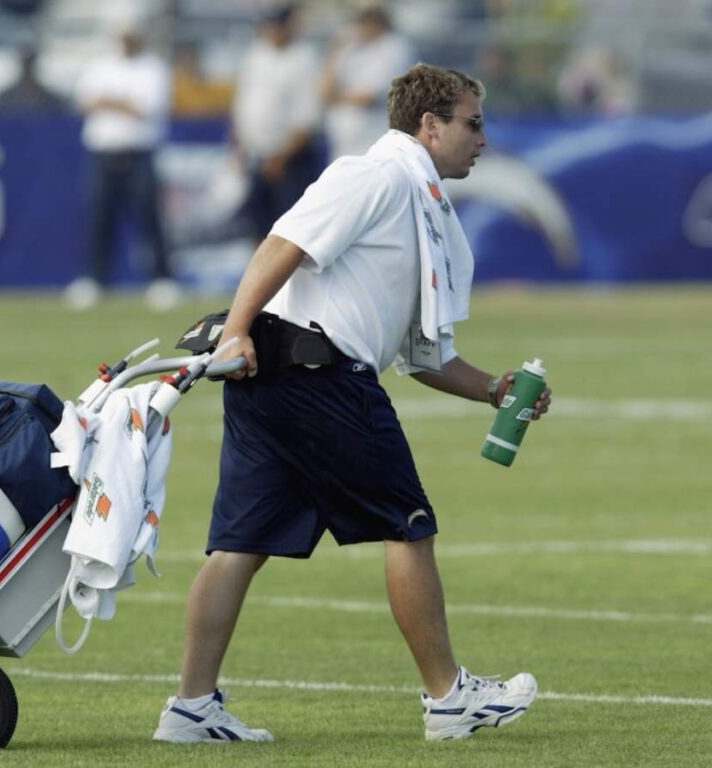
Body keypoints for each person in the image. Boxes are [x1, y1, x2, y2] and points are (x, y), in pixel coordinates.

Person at [153, 63, 552, 743]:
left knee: (240, 545)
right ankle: (449, 698)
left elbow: (423, 356)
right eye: (472, 124)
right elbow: (283, 244)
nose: (482, 139)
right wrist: (240, 328)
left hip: (283, 376)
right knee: (408, 523)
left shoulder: (421, 199)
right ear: (429, 125)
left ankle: (190, 709)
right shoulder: (377, 175)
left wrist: (492, 388)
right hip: (314, 372)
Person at [64, 17, 179, 312]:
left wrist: (110, 102)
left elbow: (145, 108)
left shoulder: (154, 68)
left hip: (138, 153)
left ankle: (161, 278)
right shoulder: (101, 66)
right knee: (99, 218)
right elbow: (85, 101)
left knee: (148, 217)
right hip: (103, 152)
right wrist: (122, 103)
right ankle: (94, 278)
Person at [231, 3, 321, 244]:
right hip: (258, 155)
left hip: (291, 160)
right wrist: (239, 148)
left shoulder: (303, 59)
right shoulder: (256, 55)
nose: (274, 30)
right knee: (258, 225)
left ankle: (288, 283)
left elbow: (307, 117)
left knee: (290, 231)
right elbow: (243, 108)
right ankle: (260, 281)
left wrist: (281, 158)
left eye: (278, 25)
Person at [321, 4, 414, 160]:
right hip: (343, 143)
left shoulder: (394, 47)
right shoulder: (349, 47)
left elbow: (368, 97)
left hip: (374, 141)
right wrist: (336, 48)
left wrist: (336, 97)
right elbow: (324, 92)